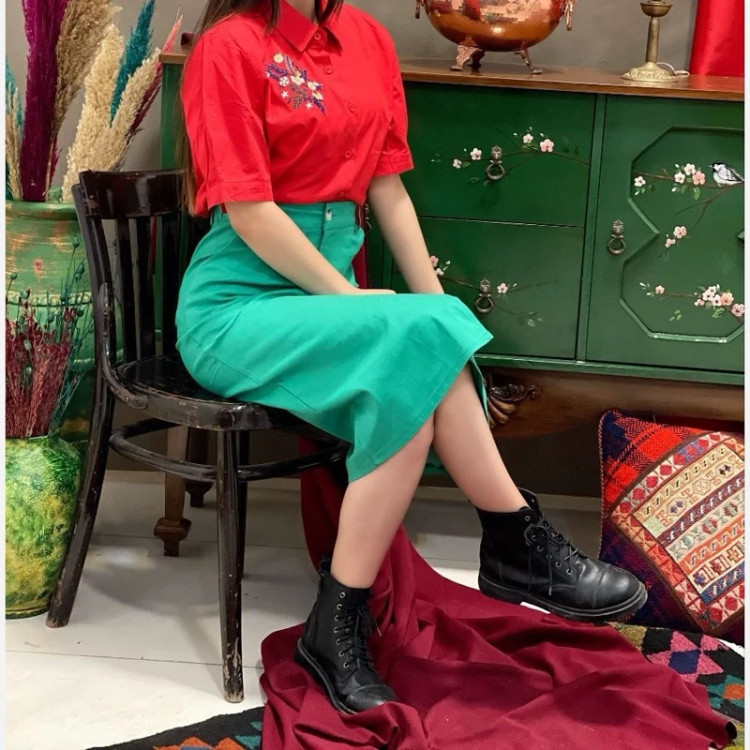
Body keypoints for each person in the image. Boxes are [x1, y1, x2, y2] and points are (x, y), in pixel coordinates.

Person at [177, 0, 647, 715]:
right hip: (238, 310)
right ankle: (513, 539)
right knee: (417, 347)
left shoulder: (367, 40)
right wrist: (351, 299)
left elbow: (387, 189)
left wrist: (437, 321)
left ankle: (338, 625)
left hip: (327, 308)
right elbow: (249, 211)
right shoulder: (228, 47)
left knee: (421, 358)